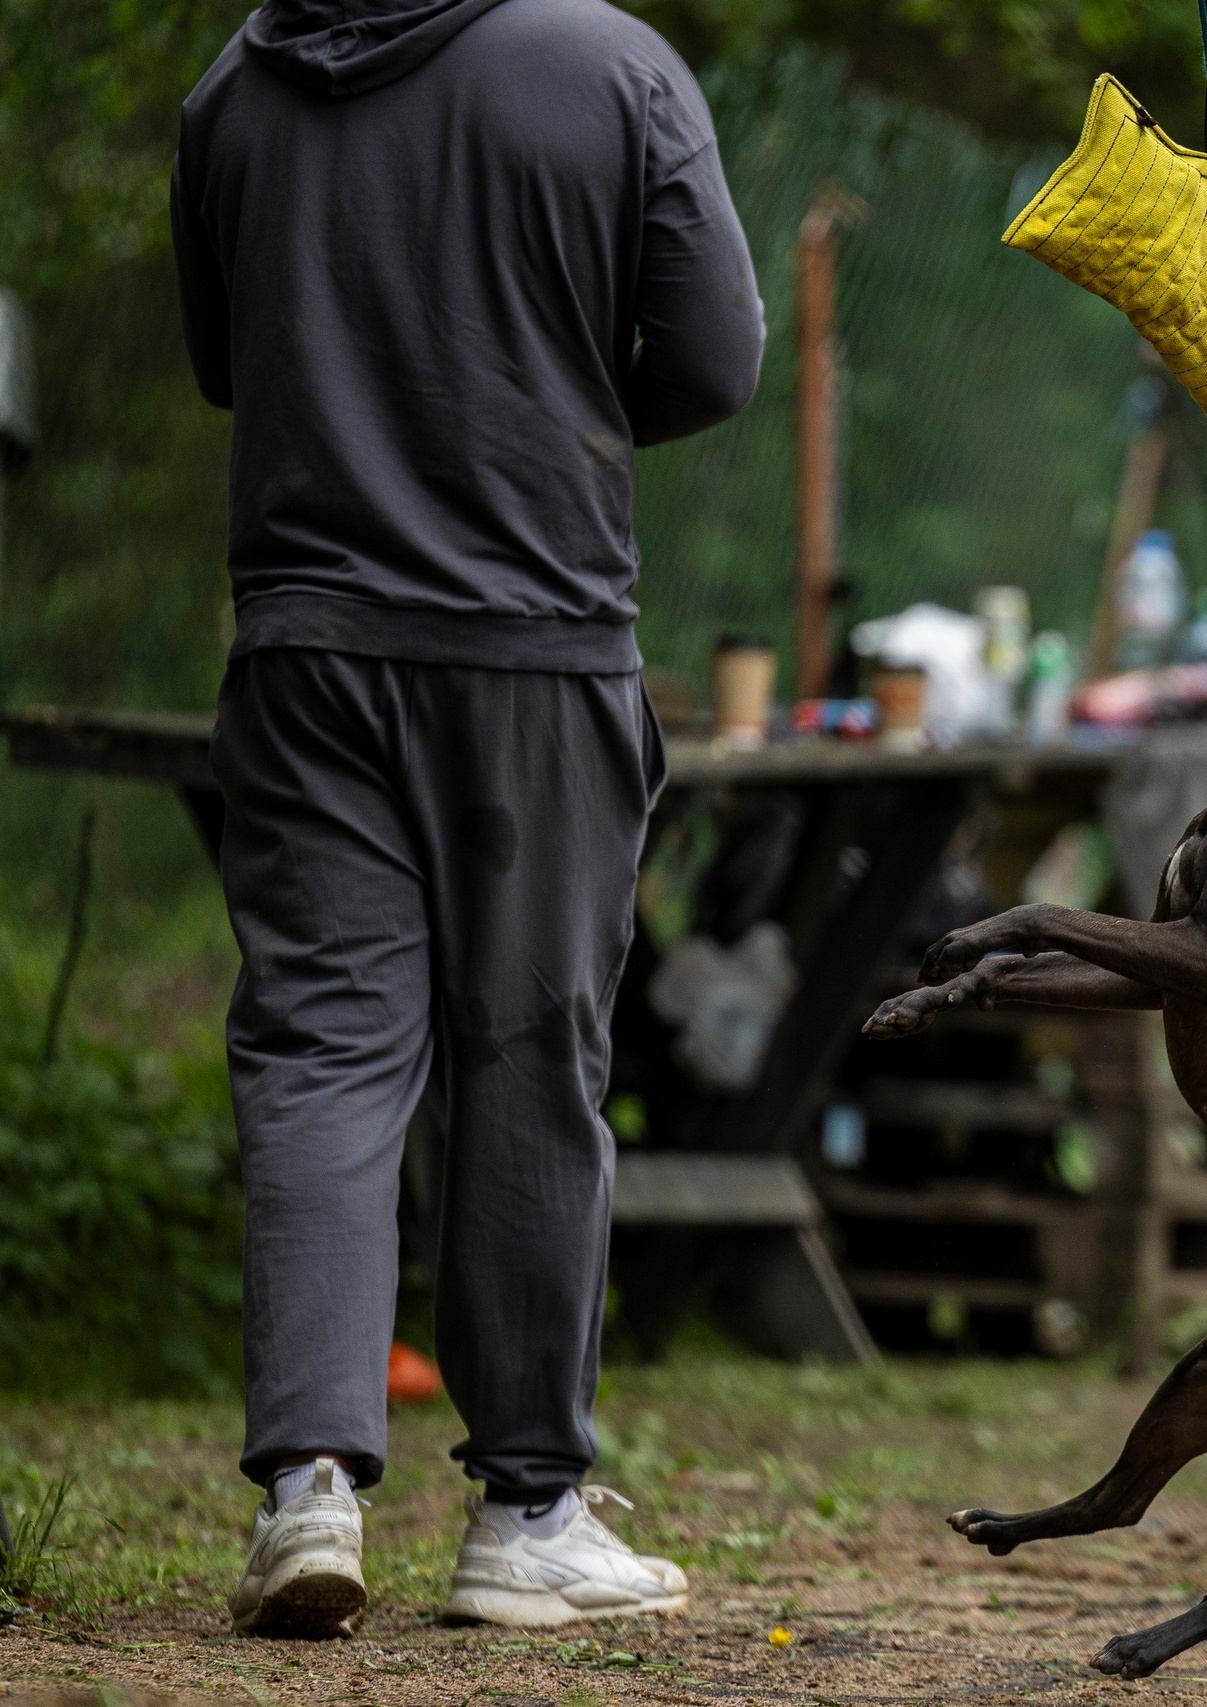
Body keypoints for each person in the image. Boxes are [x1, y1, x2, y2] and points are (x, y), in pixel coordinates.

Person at [172, 0, 764, 1636]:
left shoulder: (234, 87)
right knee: (527, 1053)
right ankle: (526, 1516)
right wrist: (542, 390)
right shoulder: (613, 67)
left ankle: (307, 1491)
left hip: (304, 647)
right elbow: (716, 360)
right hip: (533, 643)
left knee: (317, 1048)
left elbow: (230, 365)